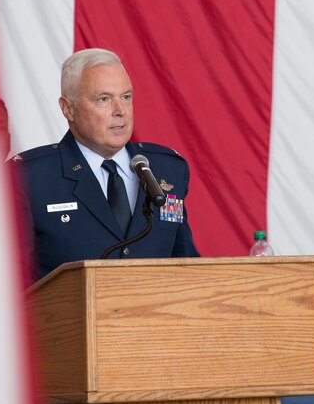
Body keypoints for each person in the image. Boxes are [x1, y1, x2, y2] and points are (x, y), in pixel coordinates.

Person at [12, 48, 200, 284]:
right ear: (68, 109)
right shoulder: (29, 177)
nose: (120, 111)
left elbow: (186, 264)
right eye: (104, 99)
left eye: (126, 97)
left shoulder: (166, 170)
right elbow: (15, 286)